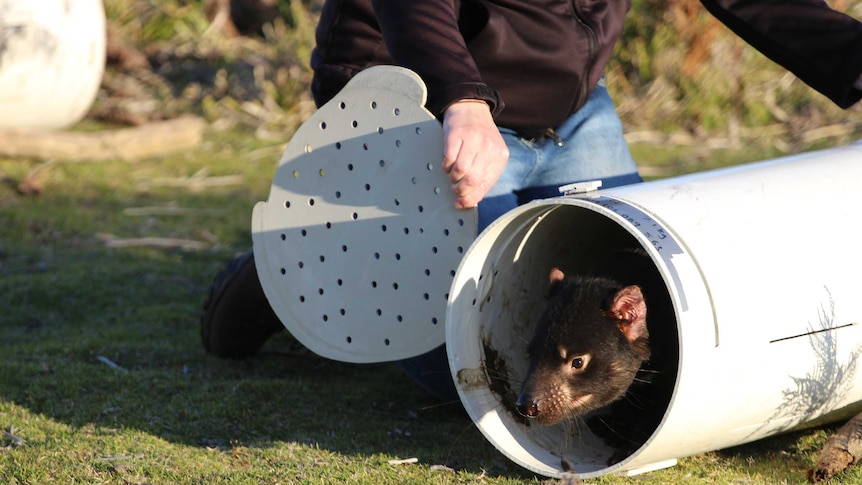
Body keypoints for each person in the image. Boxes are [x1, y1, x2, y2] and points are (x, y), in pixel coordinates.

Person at [201, 0, 862, 403]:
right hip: (419, 99)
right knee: (480, 366)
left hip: (566, 110)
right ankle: (316, 256)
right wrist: (460, 99)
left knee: (630, 309)